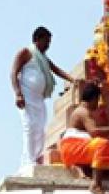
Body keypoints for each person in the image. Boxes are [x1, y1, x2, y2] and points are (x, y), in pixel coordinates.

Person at [11, 26, 80, 167]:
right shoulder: (26, 52)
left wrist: (73, 80)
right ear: (37, 39)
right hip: (27, 96)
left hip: (39, 98)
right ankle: (28, 160)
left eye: (49, 42)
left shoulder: (43, 58)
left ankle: (36, 158)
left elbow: (56, 69)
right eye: (46, 41)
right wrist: (18, 94)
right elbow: (13, 73)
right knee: (29, 126)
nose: (48, 45)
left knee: (40, 128)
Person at [58, 82, 109, 194]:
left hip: (81, 149)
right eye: (98, 100)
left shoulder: (84, 112)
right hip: (73, 149)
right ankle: (96, 185)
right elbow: (95, 133)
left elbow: (93, 139)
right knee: (102, 144)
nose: (98, 104)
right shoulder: (83, 112)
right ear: (94, 98)